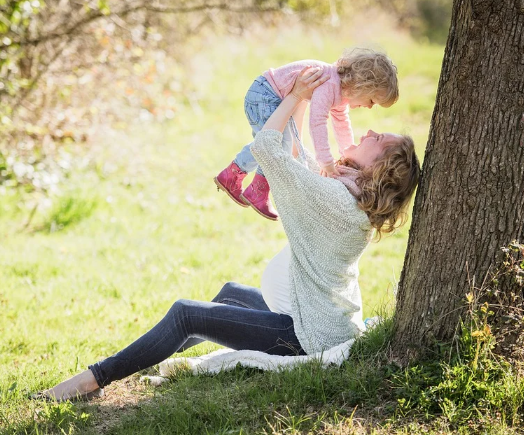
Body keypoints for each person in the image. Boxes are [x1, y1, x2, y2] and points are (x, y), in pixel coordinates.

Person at [34, 67, 420, 402]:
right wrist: (300, 100)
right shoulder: (348, 197)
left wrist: (297, 96)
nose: (370, 130)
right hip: (313, 317)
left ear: (381, 169)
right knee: (229, 294)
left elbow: (268, 148)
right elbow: (298, 159)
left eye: (379, 139)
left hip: (306, 335)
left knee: (187, 314)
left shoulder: (336, 201)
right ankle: (140, 358)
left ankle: (92, 380)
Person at [214, 48, 399, 221]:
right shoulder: (330, 84)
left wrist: (346, 154)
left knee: (274, 143)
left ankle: (234, 176)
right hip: (265, 95)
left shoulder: (341, 93)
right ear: (362, 86)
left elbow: (342, 125)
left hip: (269, 95)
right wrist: (325, 161)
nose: (368, 106)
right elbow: (317, 122)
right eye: (372, 100)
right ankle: (255, 189)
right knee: (275, 143)